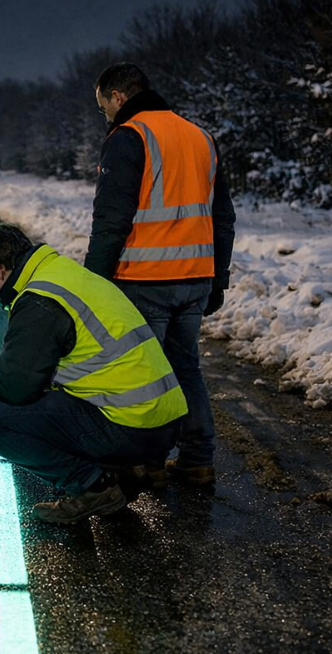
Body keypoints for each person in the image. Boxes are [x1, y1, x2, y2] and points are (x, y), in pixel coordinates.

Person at [0, 224, 188, 524]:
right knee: (52, 391)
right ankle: (125, 470)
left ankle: (94, 486)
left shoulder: (40, 299)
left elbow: (15, 386)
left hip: (134, 425)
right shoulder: (67, 275)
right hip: (162, 421)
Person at [86, 63, 236, 486]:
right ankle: (197, 458)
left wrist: (94, 284)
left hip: (145, 278)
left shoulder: (129, 137)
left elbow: (111, 220)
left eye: (103, 108)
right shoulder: (200, 136)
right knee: (186, 367)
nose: (106, 118)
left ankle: (148, 463)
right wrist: (217, 277)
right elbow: (223, 216)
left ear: (118, 97)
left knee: (143, 375)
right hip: (195, 277)